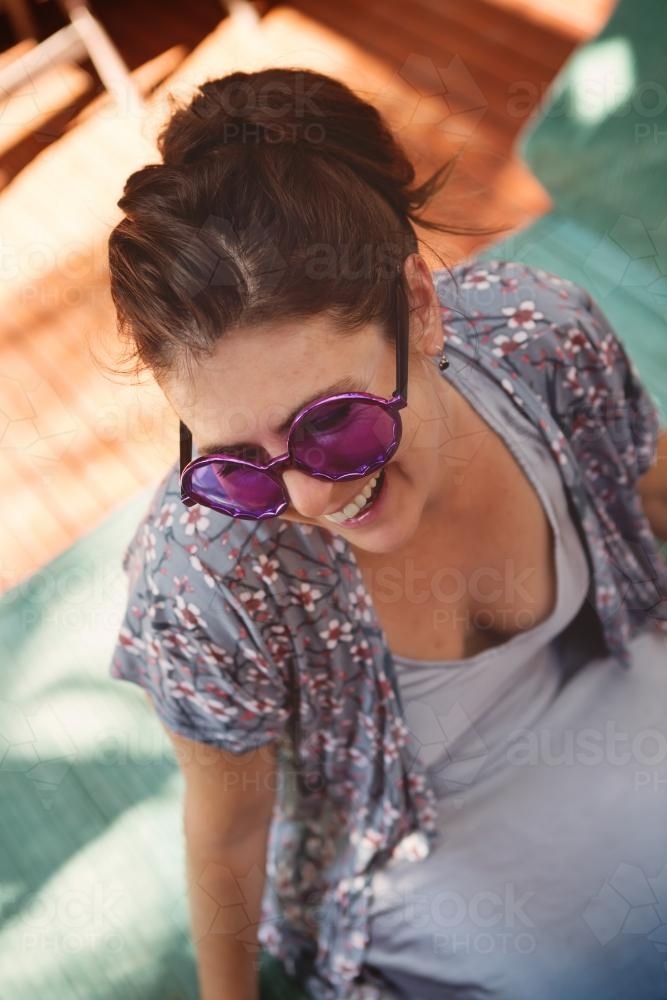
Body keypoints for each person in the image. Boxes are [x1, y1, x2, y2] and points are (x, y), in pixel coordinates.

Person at [107, 68, 667, 1000]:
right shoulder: (208, 573)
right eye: (238, 464)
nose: (311, 498)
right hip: (414, 848)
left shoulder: (539, 336)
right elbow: (229, 828)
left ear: (418, 305)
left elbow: (652, 496)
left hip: (613, 685)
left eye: (334, 423)